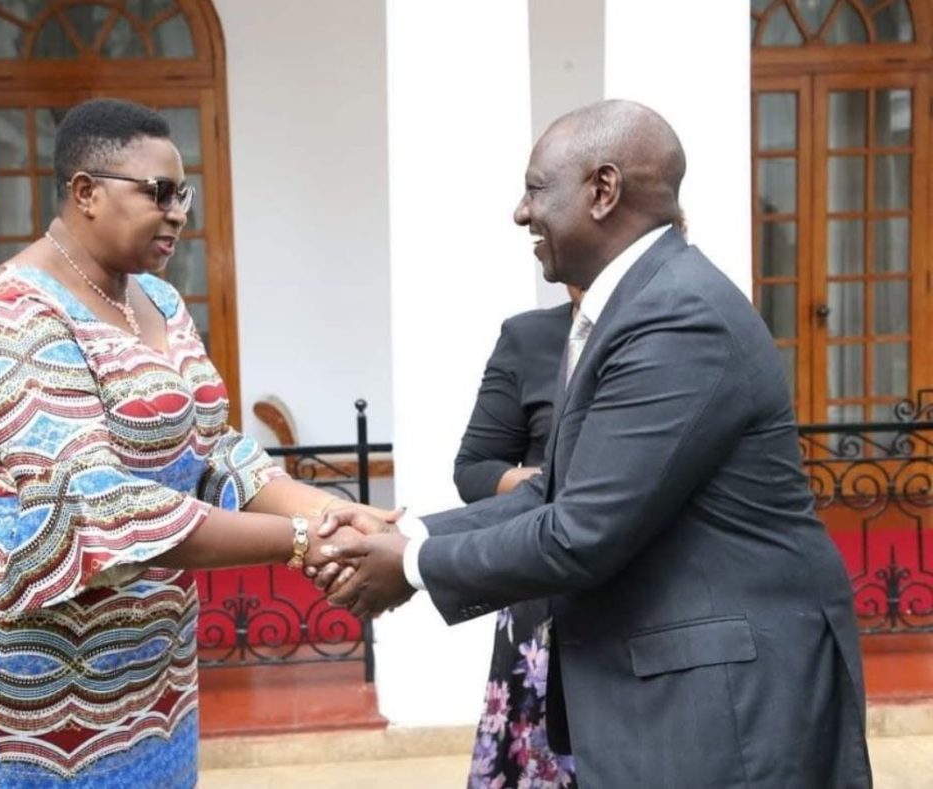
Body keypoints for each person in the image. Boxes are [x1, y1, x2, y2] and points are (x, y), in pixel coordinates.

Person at [317, 100, 871, 787]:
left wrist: (410, 564)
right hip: (679, 692)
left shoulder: (677, 316)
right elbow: (555, 491)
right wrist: (407, 528)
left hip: (725, 706)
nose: (522, 212)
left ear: (603, 190)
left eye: (536, 187)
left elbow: (583, 530)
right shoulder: (636, 305)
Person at [0, 98, 383, 788]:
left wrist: (330, 511)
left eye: (185, 193)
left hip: (154, 646)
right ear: (85, 192)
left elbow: (214, 450)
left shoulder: (159, 299)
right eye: (160, 192)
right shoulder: (10, 314)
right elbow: (98, 502)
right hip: (45, 652)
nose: (179, 211)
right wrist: (303, 539)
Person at [454, 289, 581, 788]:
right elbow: (474, 470)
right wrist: (555, 485)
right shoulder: (529, 337)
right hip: (543, 606)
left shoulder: (676, 327)